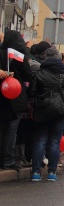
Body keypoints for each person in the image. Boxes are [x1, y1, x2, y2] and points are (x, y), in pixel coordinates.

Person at [30, 45, 64, 181]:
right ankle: (52, 172)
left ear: (46, 58)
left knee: (39, 141)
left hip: (42, 110)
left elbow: (32, 92)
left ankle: (36, 172)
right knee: (54, 141)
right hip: (60, 111)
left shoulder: (39, 73)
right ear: (58, 58)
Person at [0, 30, 34, 170]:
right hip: (16, 98)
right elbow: (28, 75)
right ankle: (8, 159)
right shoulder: (20, 56)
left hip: (2, 95)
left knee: (2, 129)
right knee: (12, 130)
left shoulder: (1, 53)